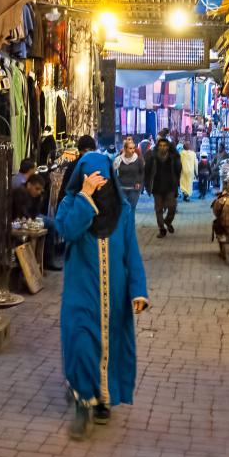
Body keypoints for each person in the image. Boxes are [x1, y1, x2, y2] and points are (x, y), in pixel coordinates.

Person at [55, 152, 148, 439]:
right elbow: (66, 231)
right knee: (82, 345)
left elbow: (131, 253)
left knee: (110, 348)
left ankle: (103, 401)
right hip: (81, 296)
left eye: (102, 182)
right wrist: (85, 197)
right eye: (92, 181)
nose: (99, 187)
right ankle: (83, 405)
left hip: (114, 299)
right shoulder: (71, 205)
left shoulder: (122, 212)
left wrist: (138, 290)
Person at [144, 137, 182, 238]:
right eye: (160, 146)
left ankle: (168, 222)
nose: (162, 147)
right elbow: (147, 171)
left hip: (170, 187)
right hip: (157, 187)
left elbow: (178, 170)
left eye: (164, 145)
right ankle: (162, 229)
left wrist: (177, 183)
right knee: (158, 209)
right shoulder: (152, 156)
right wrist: (147, 185)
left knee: (172, 207)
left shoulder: (173, 157)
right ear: (157, 146)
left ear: (168, 147)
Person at [57, 135, 97, 202]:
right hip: (76, 205)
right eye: (86, 151)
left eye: (92, 150)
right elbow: (64, 191)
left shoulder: (97, 165)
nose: (89, 153)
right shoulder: (73, 167)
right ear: (80, 151)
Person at [114, 137, 144, 210]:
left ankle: (131, 221)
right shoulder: (119, 159)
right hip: (122, 187)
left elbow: (142, 172)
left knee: (131, 208)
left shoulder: (138, 159)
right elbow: (113, 171)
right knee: (123, 208)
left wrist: (139, 182)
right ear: (125, 149)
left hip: (134, 188)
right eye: (130, 148)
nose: (133, 150)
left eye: (134, 148)